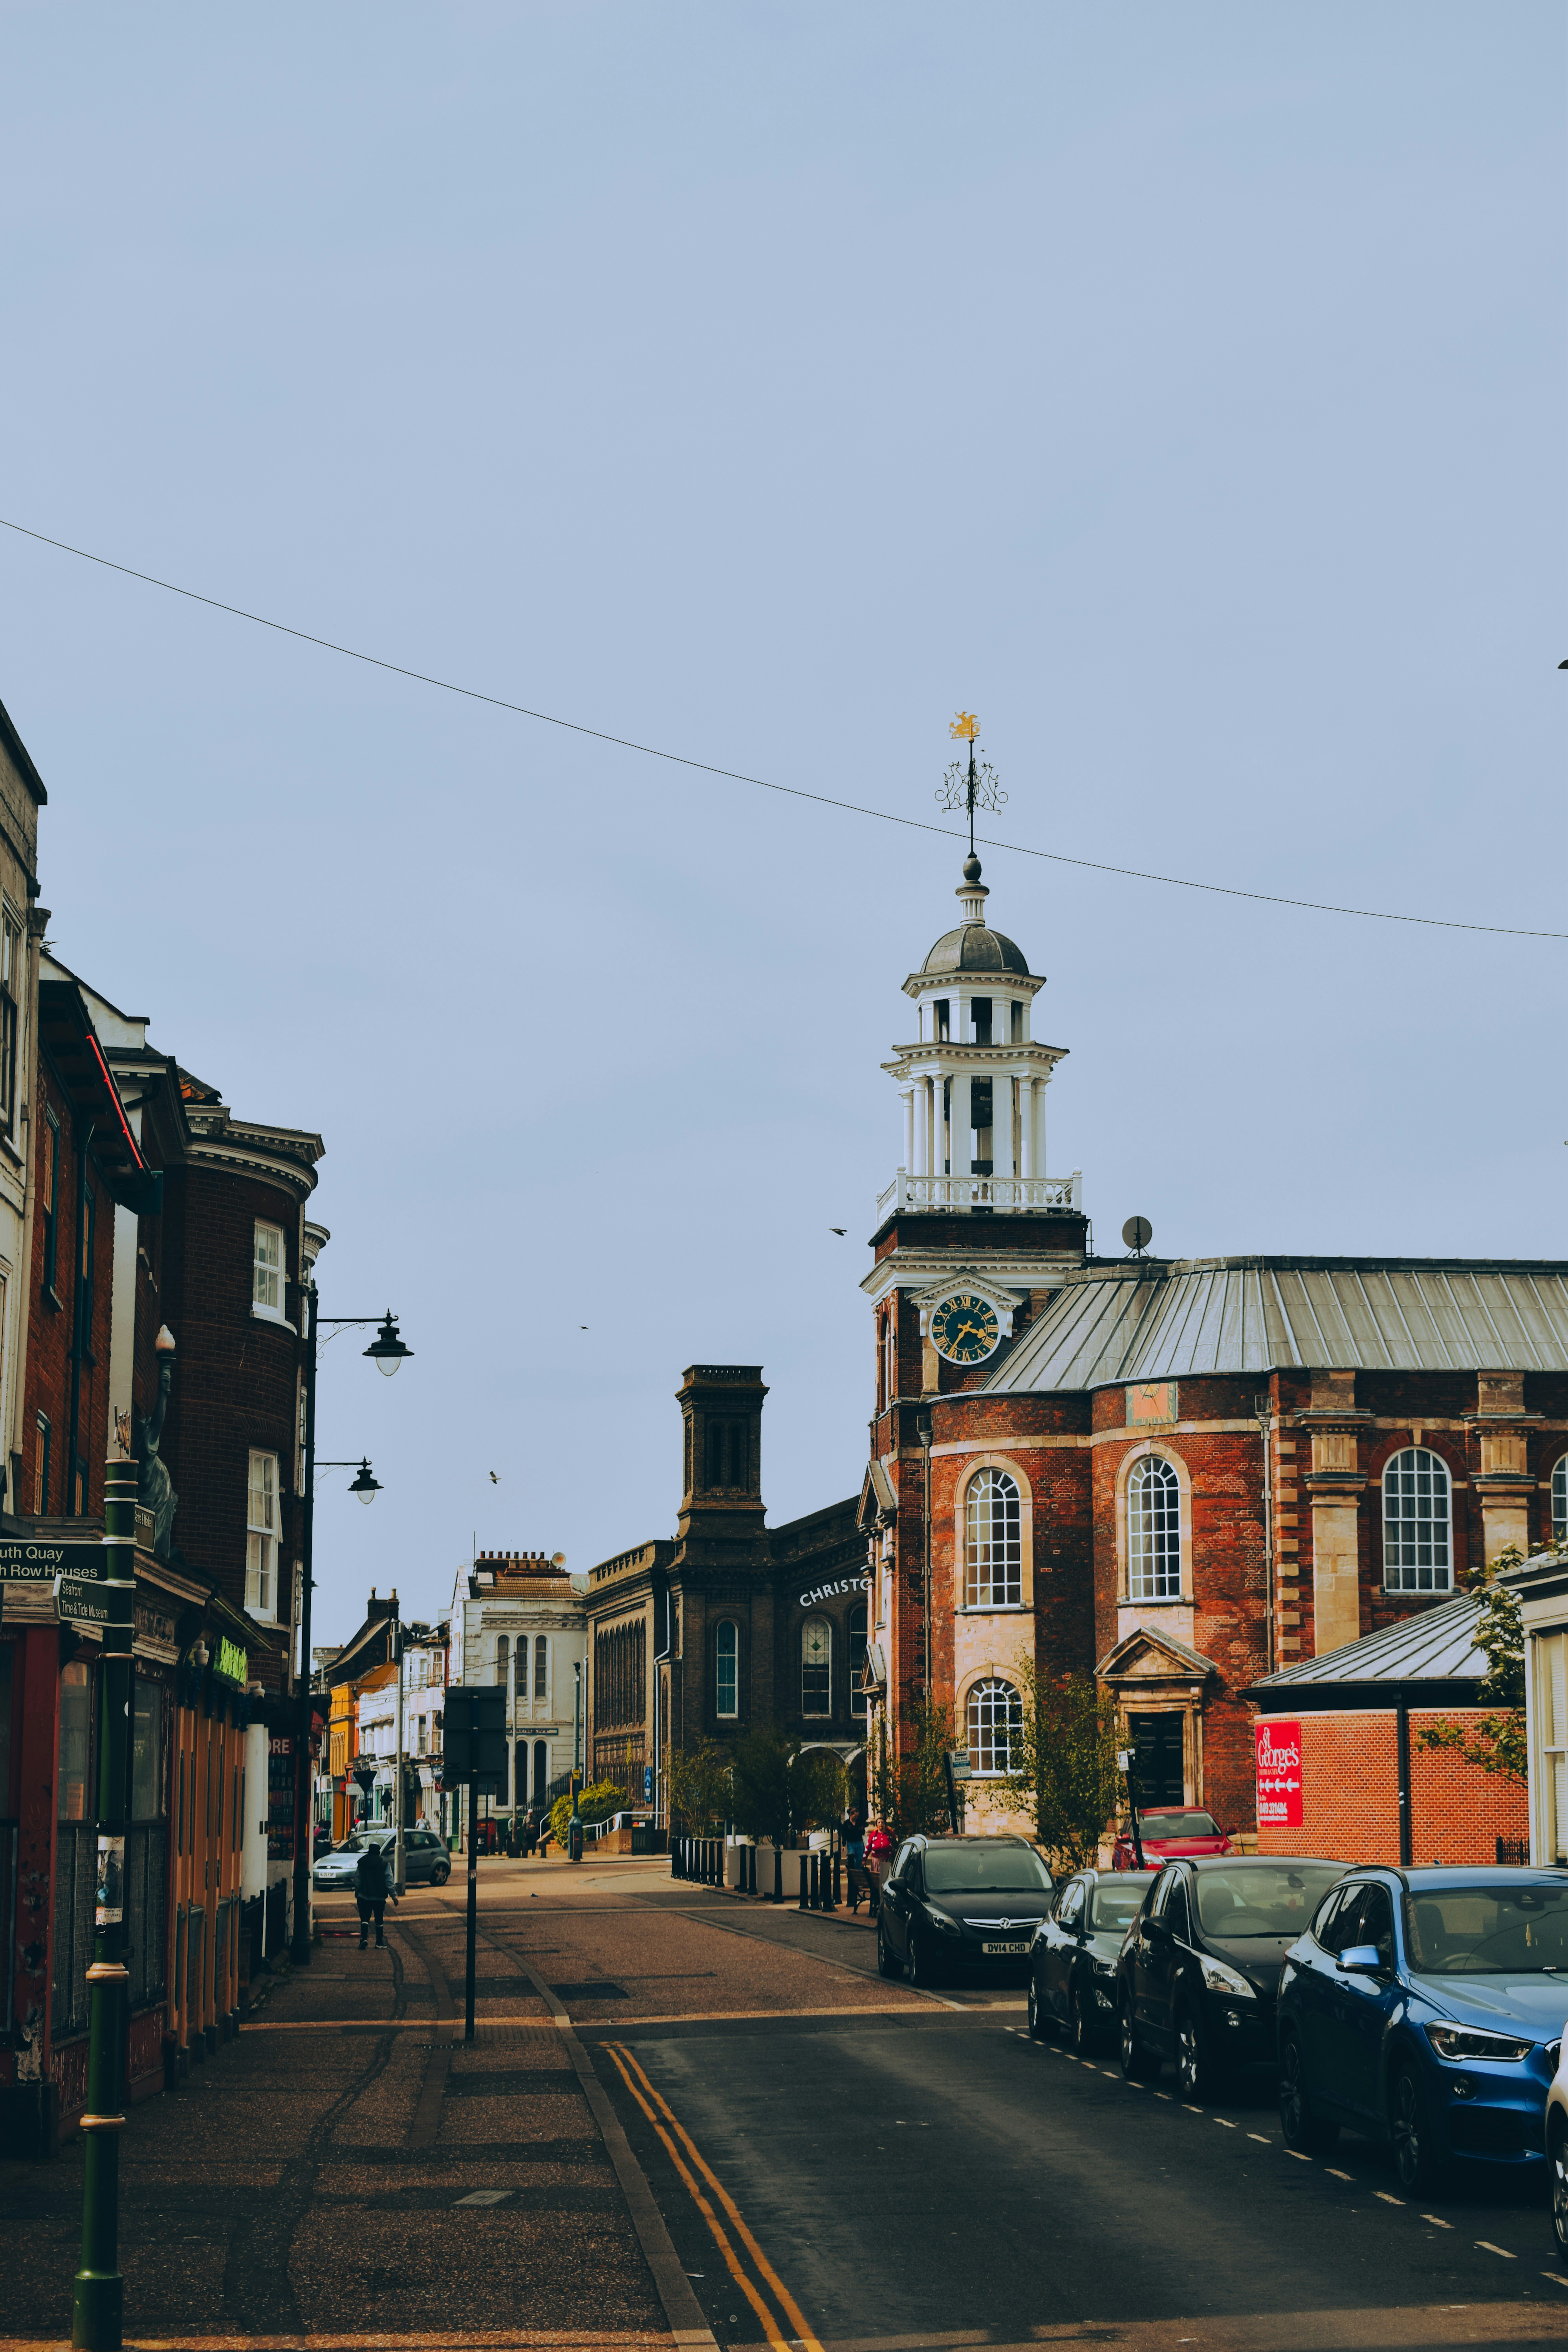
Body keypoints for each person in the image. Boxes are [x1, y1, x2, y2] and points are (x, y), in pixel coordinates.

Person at [354, 1837, 396, 1950]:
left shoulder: (362, 1863)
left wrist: (357, 1892)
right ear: (378, 1852)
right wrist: (394, 1896)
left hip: (363, 1896)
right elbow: (389, 1881)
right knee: (379, 1920)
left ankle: (364, 1939)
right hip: (379, 1897)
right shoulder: (384, 1864)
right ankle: (379, 1942)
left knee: (364, 1919)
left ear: (369, 1851)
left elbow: (358, 1879)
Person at [863, 1821, 893, 1914]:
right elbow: (868, 1848)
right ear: (877, 1825)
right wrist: (864, 1859)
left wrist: (891, 1832)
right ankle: (878, 1899)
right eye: (879, 1823)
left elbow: (894, 1843)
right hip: (877, 1861)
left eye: (883, 1823)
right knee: (878, 1881)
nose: (881, 1824)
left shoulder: (889, 1834)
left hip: (887, 1861)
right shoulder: (874, 1835)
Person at [841, 1806, 867, 1912]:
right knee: (852, 1859)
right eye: (854, 1815)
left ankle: (858, 1879)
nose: (856, 1817)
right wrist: (843, 1845)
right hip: (851, 1843)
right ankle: (853, 1877)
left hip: (859, 1843)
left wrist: (862, 1829)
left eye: (857, 1816)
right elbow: (844, 1835)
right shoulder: (847, 1824)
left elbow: (863, 1832)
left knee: (859, 1861)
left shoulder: (860, 1822)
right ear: (851, 1815)